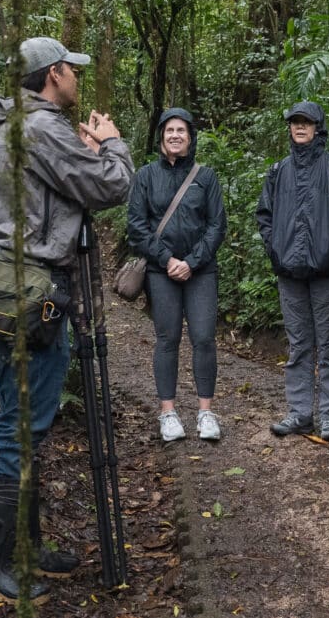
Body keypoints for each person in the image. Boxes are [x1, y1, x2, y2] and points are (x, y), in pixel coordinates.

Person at [0, 37, 134, 603]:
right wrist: (111, 145)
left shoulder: (5, 124)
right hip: (36, 292)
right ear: (54, 74)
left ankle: (27, 550)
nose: (78, 79)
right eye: (72, 71)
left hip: (11, 288)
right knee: (20, 427)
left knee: (26, 422)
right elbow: (111, 185)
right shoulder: (40, 129)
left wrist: (78, 149)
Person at [127, 107, 227, 442]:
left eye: (181, 130)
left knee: (203, 338)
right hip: (160, 271)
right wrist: (168, 260)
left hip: (200, 271)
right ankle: (168, 413)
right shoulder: (145, 176)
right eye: (169, 130)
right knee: (167, 339)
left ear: (190, 136)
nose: (175, 136)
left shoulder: (206, 176)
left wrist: (192, 261)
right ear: (161, 136)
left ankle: (205, 412)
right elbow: (137, 228)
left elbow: (216, 227)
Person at [256, 101, 329, 442]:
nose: (300, 127)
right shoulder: (278, 171)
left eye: (306, 123)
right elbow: (264, 217)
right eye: (295, 122)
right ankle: (299, 413)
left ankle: (328, 416)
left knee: (328, 345)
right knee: (298, 346)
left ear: (318, 128)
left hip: (326, 273)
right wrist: (276, 250)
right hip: (289, 273)